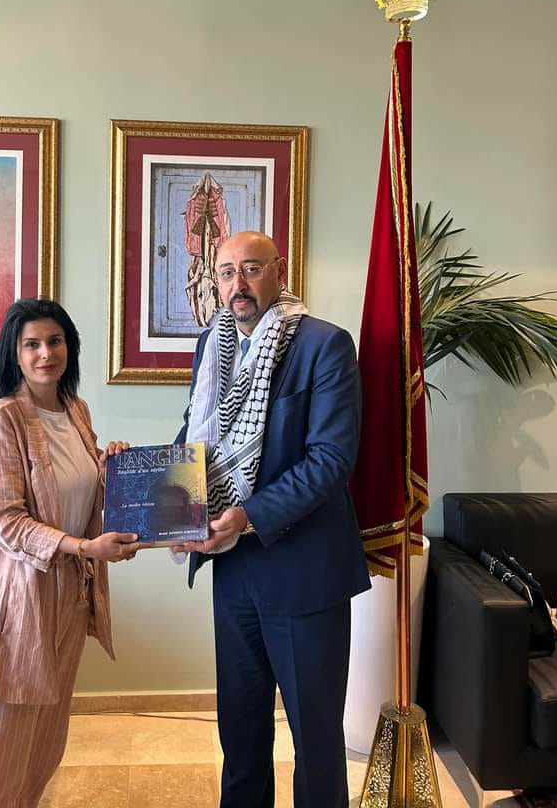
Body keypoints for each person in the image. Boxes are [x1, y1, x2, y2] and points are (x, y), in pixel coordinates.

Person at [173, 231, 370, 808]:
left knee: (315, 743)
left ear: (279, 271)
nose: (237, 284)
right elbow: (195, 435)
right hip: (232, 568)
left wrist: (248, 516)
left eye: (251, 269)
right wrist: (171, 509)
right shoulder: (211, 344)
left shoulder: (324, 345)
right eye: (226, 272)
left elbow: (330, 460)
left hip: (305, 572)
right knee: (240, 734)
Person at [0, 298, 144, 807]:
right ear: (13, 354)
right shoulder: (1, 420)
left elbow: (78, 490)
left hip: (70, 599)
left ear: (69, 347)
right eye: (31, 344)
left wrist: (112, 467)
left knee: (43, 748)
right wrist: (85, 547)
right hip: (15, 606)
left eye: (55, 341)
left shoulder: (76, 411)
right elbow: (8, 523)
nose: (45, 354)